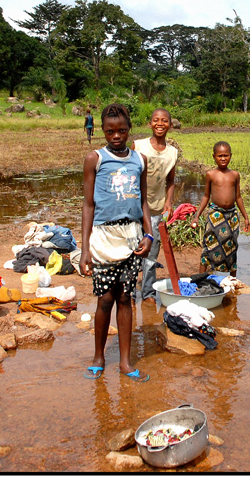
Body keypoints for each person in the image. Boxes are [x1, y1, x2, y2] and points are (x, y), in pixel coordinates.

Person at [80, 103, 153, 381]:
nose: (116, 136)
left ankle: (124, 361)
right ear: (103, 131)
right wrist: (85, 249)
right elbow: (88, 205)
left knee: (126, 297)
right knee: (105, 298)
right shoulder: (95, 159)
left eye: (122, 130)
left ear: (129, 129)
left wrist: (149, 234)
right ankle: (99, 356)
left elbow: (143, 201)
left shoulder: (139, 160)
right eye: (111, 131)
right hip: (103, 236)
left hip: (132, 236)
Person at [133, 108, 178, 301]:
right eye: (156, 120)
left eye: (164, 121)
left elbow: (171, 180)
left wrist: (168, 202)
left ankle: (148, 292)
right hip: (134, 208)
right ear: (150, 123)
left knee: (151, 253)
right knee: (132, 251)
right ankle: (130, 292)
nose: (160, 124)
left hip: (156, 209)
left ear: (170, 124)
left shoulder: (172, 153)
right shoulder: (139, 145)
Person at [190, 141, 250, 277]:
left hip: (231, 216)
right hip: (216, 215)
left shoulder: (235, 175)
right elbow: (206, 196)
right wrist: (196, 216)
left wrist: (246, 217)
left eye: (226, 155)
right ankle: (201, 278)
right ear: (214, 157)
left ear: (231, 156)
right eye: (220, 156)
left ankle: (233, 279)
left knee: (232, 246)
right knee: (209, 245)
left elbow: (238, 197)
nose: (223, 158)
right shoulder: (210, 174)